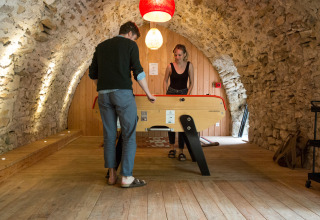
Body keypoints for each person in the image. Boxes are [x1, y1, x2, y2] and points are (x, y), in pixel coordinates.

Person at [89, 21, 156, 188]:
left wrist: (102, 88)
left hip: (104, 96)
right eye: (134, 38)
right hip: (123, 95)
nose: (133, 41)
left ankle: (112, 175)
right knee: (128, 135)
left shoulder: (101, 46)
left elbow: (92, 74)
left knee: (109, 136)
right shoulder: (130, 45)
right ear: (130, 33)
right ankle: (126, 176)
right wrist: (148, 93)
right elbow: (138, 72)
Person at [163, 44, 194, 161]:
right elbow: (165, 80)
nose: (177, 57)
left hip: (183, 95)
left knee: (182, 124)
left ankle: (181, 151)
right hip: (171, 94)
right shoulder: (170, 66)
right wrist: (164, 94)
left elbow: (192, 83)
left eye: (179, 55)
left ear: (184, 54)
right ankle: (172, 148)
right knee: (170, 122)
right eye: (175, 54)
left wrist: (187, 96)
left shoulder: (189, 66)